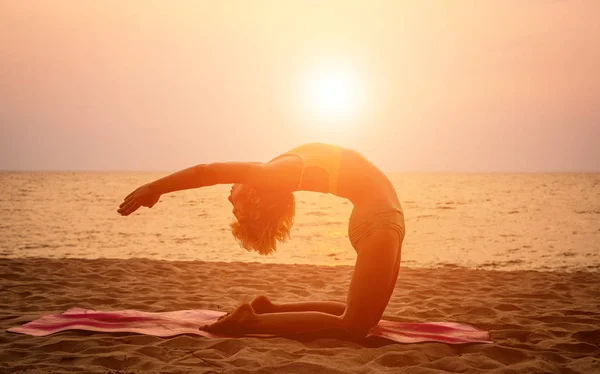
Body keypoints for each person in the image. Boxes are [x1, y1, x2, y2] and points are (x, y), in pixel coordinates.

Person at [118, 142, 405, 338]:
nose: (230, 197)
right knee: (354, 327)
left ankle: (268, 310)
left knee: (363, 319)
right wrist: (156, 188)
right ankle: (249, 320)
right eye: (236, 206)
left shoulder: (270, 170)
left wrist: (155, 187)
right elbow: (209, 173)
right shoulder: (271, 173)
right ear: (254, 195)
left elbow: (207, 171)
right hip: (379, 222)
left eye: (234, 204)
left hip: (383, 220)